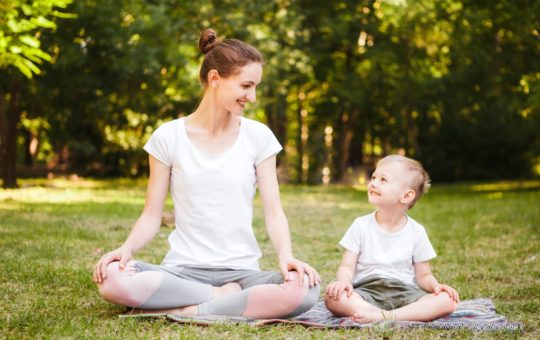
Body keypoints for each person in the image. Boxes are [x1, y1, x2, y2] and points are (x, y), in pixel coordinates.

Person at [92, 29, 320, 319]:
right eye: (246, 86)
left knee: (305, 288)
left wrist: (286, 257)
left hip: (242, 273)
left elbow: (274, 212)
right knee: (112, 278)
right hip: (182, 271)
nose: (252, 97)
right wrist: (127, 248)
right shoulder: (168, 137)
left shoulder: (258, 137)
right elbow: (152, 215)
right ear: (215, 79)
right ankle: (219, 300)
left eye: (256, 87)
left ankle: (186, 309)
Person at [324, 155, 458, 323]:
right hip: (366, 291)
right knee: (333, 297)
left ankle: (384, 316)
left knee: (448, 301)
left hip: (405, 292)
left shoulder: (416, 231)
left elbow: (424, 275)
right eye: (373, 177)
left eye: (383, 180)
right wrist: (343, 282)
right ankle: (382, 313)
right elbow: (346, 267)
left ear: (406, 196)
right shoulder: (360, 225)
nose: (373, 183)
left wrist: (436, 286)